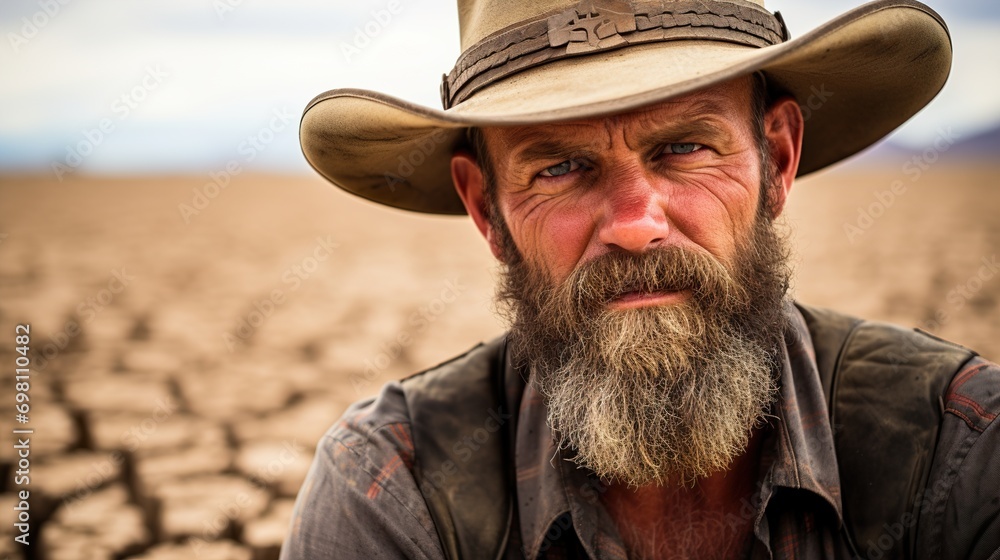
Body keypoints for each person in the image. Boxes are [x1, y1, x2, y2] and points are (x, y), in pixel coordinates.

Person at [281, 0, 1000, 558]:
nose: (634, 224)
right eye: (559, 168)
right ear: (487, 210)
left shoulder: (961, 445)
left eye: (685, 147)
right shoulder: (393, 487)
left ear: (776, 161)